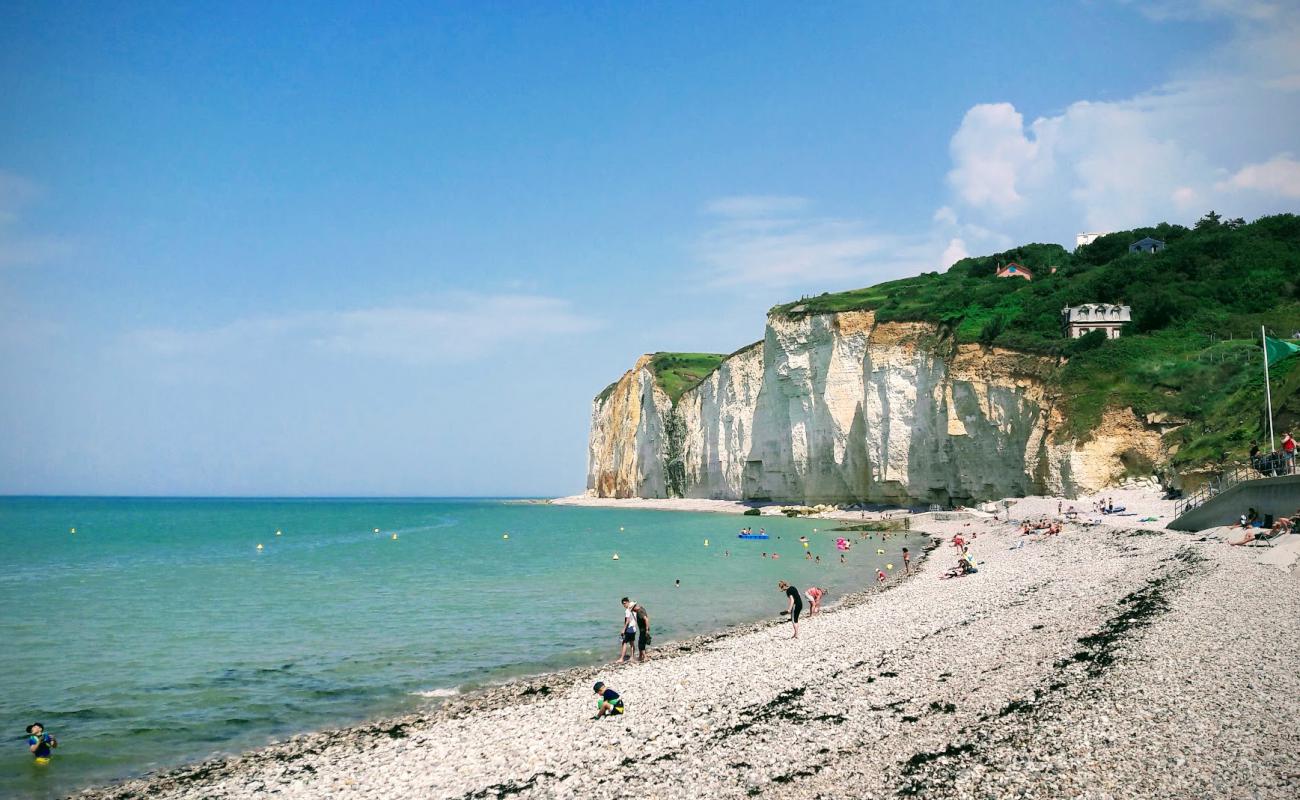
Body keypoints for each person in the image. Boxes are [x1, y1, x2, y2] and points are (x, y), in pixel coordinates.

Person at [617, 597, 638, 663]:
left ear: (628, 602)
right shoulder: (633, 608)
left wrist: (623, 629)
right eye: (623, 604)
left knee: (624, 643)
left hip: (629, 628)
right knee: (632, 643)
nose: (624, 605)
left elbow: (627, 621)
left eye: (625, 603)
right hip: (634, 628)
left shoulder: (627, 610)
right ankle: (632, 657)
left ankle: (621, 658)